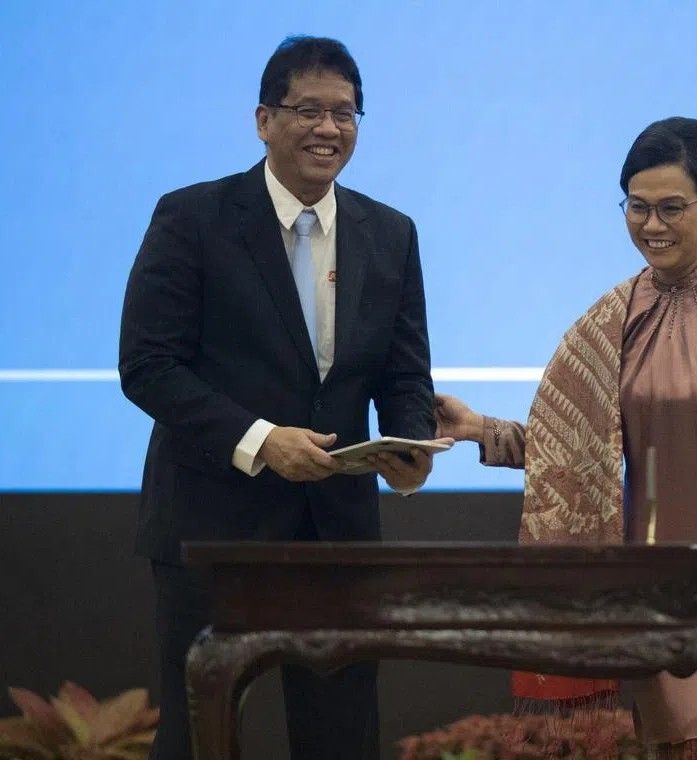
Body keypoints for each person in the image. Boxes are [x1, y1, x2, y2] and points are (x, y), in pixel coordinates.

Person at [435, 117, 697, 760]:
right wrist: (483, 431)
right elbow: (578, 451)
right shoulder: (615, 315)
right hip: (643, 597)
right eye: (637, 207)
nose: (652, 225)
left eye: (672, 208)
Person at [119, 35, 441, 760]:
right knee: (199, 733)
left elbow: (402, 372)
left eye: (346, 114)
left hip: (338, 534)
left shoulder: (390, 233)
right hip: (212, 527)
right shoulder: (193, 218)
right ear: (263, 119)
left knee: (342, 736)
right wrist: (262, 440)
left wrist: (409, 444)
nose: (328, 129)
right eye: (308, 110)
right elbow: (147, 365)